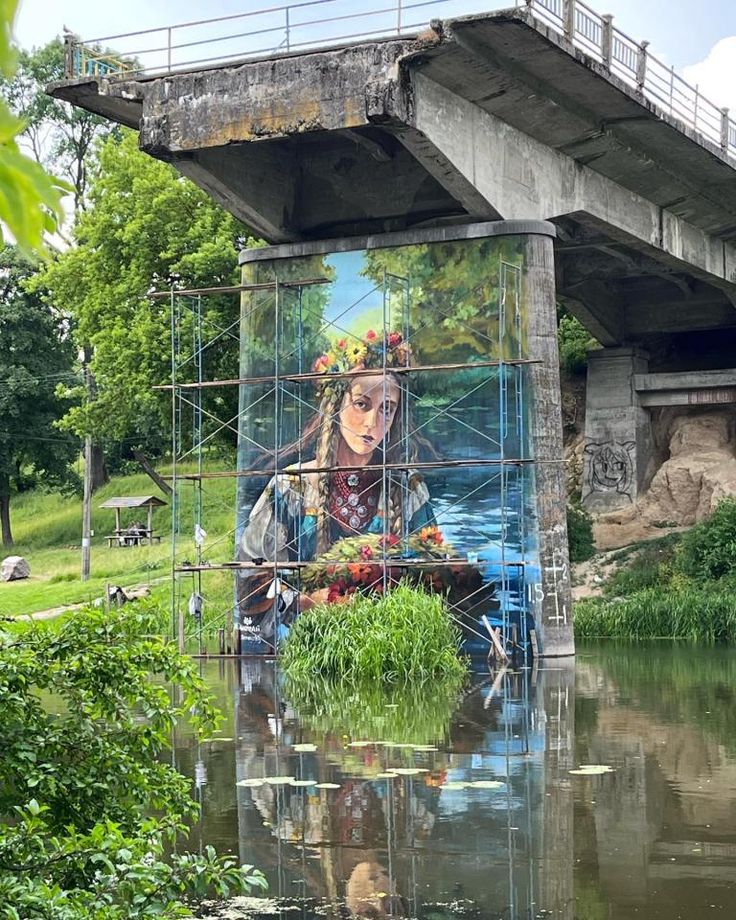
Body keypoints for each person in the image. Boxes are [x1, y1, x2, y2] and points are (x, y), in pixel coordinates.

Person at [237, 330, 437, 643]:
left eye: (387, 408)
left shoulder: (409, 489)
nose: (373, 423)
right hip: (305, 650)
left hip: (386, 648)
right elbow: (249, 580)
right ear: (336, 404)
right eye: (361, 404)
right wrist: (303, 603)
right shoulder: (292, 488)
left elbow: (436, 577)